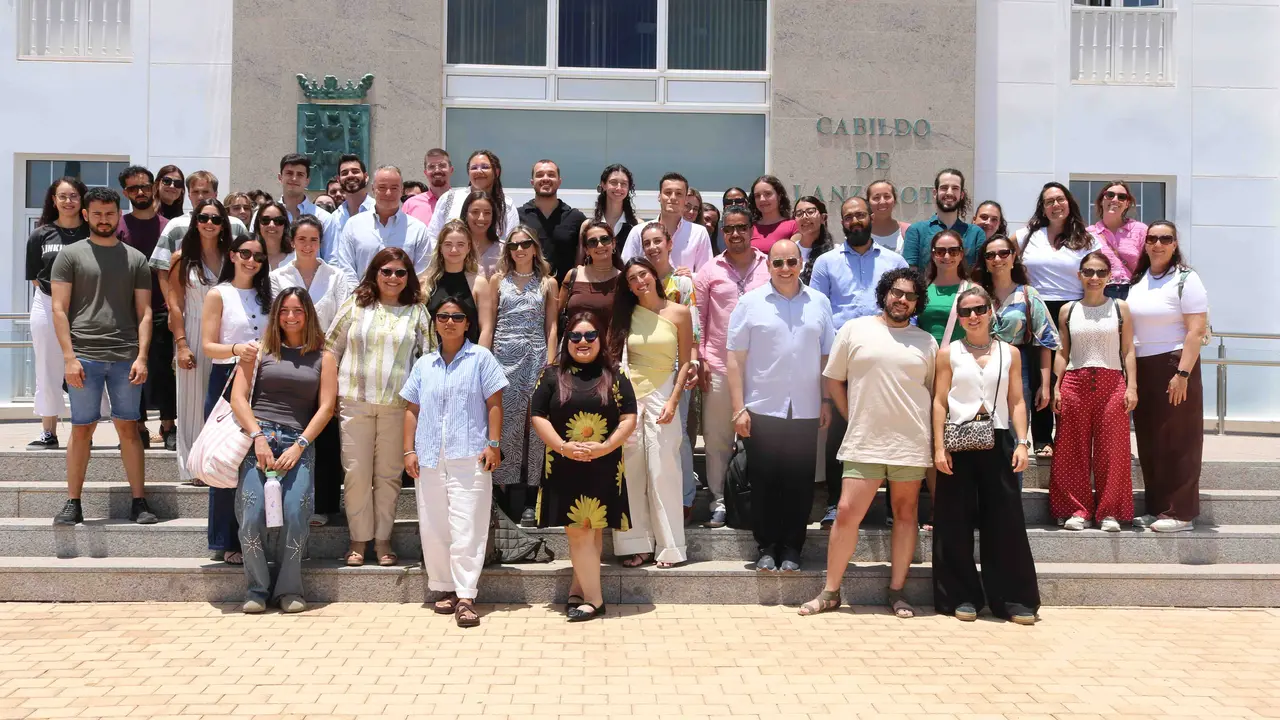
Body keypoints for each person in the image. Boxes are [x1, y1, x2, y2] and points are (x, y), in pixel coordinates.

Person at [800, 268, 937, 618]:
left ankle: (897, 591)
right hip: (864, 441)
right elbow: (833, 381)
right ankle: (830, 592)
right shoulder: (854, 329)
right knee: (846, 513)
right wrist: (853, 416)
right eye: (896, 292)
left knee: (906, 516)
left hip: (910, 442)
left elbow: (935, 394)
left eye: (909, 295)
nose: (902, 299)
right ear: (884, 294)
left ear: (917, 302)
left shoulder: (927, 342)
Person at [49, 187, 158, 526]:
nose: (103, 219)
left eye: (109, 213)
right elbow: (58, 308)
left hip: (126, 358)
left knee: (130, 427)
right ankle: (73, 502)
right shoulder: (69, 256)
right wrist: (69, 358)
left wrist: (142, 357)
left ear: (117, 214)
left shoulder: (136, 259)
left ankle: (138, 501)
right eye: (96, 213)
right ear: (86, 215)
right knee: (82, 429)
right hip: (84, 357)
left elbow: (144, 312)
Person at [931, 286, 1039, 625]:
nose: (973, 316)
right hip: (958, 441)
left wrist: (1023, 442)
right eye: (966, 312)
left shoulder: (1010, 353)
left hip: (1000, 439)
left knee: (1005, 521)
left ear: (991, 311)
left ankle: (1012, 598)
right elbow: (939, 401)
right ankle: (961, 595)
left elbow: (1018, 401)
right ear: (959, 317)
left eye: (979, 309)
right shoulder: (948, 353)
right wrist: (938, 447)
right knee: (954, 520)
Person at [727, 240, 834, 571]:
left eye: (791, 261)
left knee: (799, 483)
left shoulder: (819, 302)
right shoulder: (750, 303)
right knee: (764, 482)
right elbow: (734, 357)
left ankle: (791, 547)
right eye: (778, 263)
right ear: (768, 265)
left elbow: (826, 355)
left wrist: (827, 399)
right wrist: (738, 408)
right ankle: (766, 546)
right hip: (763, 407)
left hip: (805, 408)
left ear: (801, 263)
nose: (785, 269)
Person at [230, 288, 337, 614]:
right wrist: (258, 437)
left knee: (294, 514)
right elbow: (238, 398)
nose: (291, 317)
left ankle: (289, 589)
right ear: (276, 315)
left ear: (308, 315)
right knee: (252, 517)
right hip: (257, 439)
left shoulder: (325, 356)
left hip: (297, 443)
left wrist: (301, 444)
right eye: (285, 311)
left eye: (298, 311)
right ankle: (257, 588)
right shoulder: (259, 351)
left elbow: (327, 407)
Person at [402, 297, 506, 628]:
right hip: (430, 456)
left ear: (467, 323)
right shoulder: (423, 364)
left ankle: (466, 595)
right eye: (443, 316)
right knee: (434, 528)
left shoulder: (481, 358)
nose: (450, 321)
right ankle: (445, 589)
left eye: (457, 316)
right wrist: (409, 451)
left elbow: (495, 403)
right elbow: (411, 410)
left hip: (470, 456)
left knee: (467, 527)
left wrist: (493, 444)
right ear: (435, 322)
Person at [327, 247, 433, 566]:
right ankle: (359, 539)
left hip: (397, 406)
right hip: (354, 402)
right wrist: (329, 396)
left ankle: (383, 539)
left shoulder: (418, 311)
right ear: (375, 272)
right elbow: (331, 349)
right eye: (386, 271)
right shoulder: (355, 305)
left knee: (388, 475)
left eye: (400, 272)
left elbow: (428, 359)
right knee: (357, 472)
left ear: (408, 277)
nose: (393, 278)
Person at [531, 311, 638, 621]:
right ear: (567, 341)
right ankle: (589, 596)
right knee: (578, 531)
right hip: (564, 464)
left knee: (591, 532)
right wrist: (562, 446)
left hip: (603, 464)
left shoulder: (615, 375)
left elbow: (629, 417)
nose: (583, 342)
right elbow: (538, 415)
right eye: (576, 336)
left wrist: (605, 446)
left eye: (590, 335)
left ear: (601, 340)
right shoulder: (551, 375)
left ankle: (587, 596)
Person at [809, 196, 908, 525]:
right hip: (846, 360)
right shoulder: (826, 262)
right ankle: (836, 504)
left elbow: (907, 306)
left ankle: (895, 509)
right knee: (841, 432)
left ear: (870, 218)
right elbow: (818, 311)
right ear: (841, 222)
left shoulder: (894, 261)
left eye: (860, 215)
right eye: (849, 216)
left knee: (891, 430)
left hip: (887, 358)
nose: (855, 221)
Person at [608, 258, 694, 568]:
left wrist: (673, 400)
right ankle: (636, 545)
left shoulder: (680, 313)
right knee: (630, 471)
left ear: (653, 275)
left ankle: (671, 547)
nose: (639, 281)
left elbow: (685, 361)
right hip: (630, 396)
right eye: (632, 278)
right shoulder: (624, 315)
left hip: (664, 393)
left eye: (642, 274)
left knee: (664, 470)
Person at [271, 215, 352, 526]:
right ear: (292, 241)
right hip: (290, 360)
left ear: (321, 242)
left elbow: (343, 318)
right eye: (302, 239)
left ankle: (326, 503)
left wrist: (326, 352)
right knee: (294, 428)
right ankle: (293, 500)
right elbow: (279, 315)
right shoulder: (279, 275)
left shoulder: (336, 276)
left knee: (327, 429)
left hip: (328, 358)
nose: (307, 245)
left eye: (313, 240)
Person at [1128, 222, 1208, 533]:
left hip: (1175, 364)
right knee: (1151, 440)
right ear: (1145, 244)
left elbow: (1196, 330)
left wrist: (1183, 373)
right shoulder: (1139, 279)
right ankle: (1158, 508)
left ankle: (1182, 513)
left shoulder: (1187, 279)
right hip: (1143, 366)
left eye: (1165, 238)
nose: (1158, 244)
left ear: (1175, 244)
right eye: (1152, 239)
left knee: (1181, 439)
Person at [694, 205, 771, 528]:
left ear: (752, 229)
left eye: (742, 227)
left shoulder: (771, 267)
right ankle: (719, 501)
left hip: (764, 368)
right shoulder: (709, 271)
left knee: (764, 437)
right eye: (729, 229)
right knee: (717, 438)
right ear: (722, 232)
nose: (736, 234)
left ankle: (760, 499)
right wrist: (700, 358)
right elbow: (699, 319)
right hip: (719, 365)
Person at [1050, 252, 1137, 532]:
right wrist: (1056, 385)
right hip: (1075, 381)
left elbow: (1128, 350)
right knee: (1070, 449)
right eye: (1088, 272)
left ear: (1110, 276)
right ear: (1080, 275)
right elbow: (1062, 351)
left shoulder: (1120, 308)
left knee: (1112, 450)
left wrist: (1132, 386)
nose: (1095, 277)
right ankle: (1077, 511)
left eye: (1101, 272)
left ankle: (1109, 512)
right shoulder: (1068, 310)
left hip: (1112, 382)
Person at [1017, 182, 1102, 457]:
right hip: (1036, 312)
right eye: (1049, 201)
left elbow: (1097, 274)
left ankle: (1067, 436)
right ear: (1042, 208)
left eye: (1060, 199)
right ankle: (1042, 439)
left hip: (1074, 311)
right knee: (1040, 376)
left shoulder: (1088, 240)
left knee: (1068, 376)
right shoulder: (1025, 237)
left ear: (1069, 203)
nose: (1055, 205)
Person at [202, 234, 272, 564]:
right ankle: (225, 539)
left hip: (263, 379)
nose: (251, 261)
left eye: (258, 256)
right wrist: (236, 349)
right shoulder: (219, 294)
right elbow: (207, 346)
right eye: (245, 253)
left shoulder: (267, 294)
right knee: (226, 461)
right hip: (227, 377)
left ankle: (256, 536)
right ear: (232, 255)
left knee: (256, 462)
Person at [489, 226, 559, 526]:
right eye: (514, 245)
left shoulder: (548, 283)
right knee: (505, 427)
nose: (519, 249)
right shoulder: (497, 281)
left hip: (535, 356)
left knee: (535, 428)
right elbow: (490, 323)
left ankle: (532, 496)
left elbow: (552, 325)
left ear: (534, 247)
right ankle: (502, 496)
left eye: (525, 244)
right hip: (503, 358)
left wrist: (551, 362)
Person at [160, 199, 228, 484]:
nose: (209, 224)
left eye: (215, 219)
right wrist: (182, 344)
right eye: (203, 218)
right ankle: (192, 467)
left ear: (223, 224)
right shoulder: (181, 258)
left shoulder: (231, 257)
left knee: (221, 403)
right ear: (195, 221)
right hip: (194, 330)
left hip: (225, 334)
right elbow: (175, 306)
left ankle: (218, 461)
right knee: (192, 402)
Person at [640, 221, 702, 521]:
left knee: (678, 435)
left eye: (657, 241)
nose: (653, 247)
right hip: (644, 368)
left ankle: (685, 497)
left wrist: (693, 364)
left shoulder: (683, 284)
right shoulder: (637, 282)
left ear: (669, 244)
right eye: (647, 243)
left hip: (677, 367)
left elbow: (694, 333)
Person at [970, 234, 1059, 440]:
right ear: (985, 261)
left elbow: (1045, 341)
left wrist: (1045, 386)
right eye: (990, 255)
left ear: (1013, 257)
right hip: (979, 368)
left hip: (1018, 369)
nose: (997, 259)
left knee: (1014, 437)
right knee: (980, 436)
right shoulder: (976, 294)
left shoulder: (1028, 294)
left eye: (1003, 253)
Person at [26, 177, 89, 450]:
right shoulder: (41, 234)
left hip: (85, 305)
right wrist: (58, 301)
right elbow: (34, 276)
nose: (68, 201)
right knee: (47, 367)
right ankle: (48, 431)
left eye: (73, 196)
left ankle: (86, 431)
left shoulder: (92, 232)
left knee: (87, 368)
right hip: (47, 303)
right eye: (62, 196)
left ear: (81, 199)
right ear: (54, 200)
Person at [117, 166, 175, 451]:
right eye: (132, 188)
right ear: (125, 193)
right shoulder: (117, 226)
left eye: (144, 186)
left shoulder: (169, 227)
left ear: (154, 188)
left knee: (163, 368)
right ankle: (138, 425)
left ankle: (168, 425)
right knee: (131, 370)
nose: (140, 192)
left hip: (163, 307)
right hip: (127, 312)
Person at [333, 165, 430, 283]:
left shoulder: (418, 230)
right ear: (373, 189)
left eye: (394, 188)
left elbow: (422, 274)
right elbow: (346, 269)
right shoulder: (353, 225)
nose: (388, 193)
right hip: (361, 298)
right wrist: (359, 298)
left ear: (401, 190)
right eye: (382, 187)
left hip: (404, 300)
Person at [151, 171, 250, 270]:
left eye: (205, 192)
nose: (200, 197)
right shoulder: (175, 226)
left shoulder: (236, 226)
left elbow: (249, 260)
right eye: (195, 192)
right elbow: (162, 268)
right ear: (189, 195)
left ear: (215, 194)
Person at [421, 220, 495, 347]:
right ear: (440, 248)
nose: (454, 250)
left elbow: (486, 330)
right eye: (448, 244)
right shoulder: (426, 283)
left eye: (460, 244)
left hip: (469, 359)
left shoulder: (479, 284)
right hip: (432, 358)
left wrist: (480, 362)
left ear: (468, 247)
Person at [620, 173, 713, 273]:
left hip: (685, 288)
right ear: (659, 196)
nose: (673, 197)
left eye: (679, 194)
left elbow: (706, 275)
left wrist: (690, 277)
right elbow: (626, 270)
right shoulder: (638, 231)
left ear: (685, 199)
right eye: (668, 192)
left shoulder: (699, 233)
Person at [425, 149, 520, 245]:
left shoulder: (506, 205)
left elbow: (511, 243)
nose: (479, 171)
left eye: (485, 167)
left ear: (496, 172)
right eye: (474, 168)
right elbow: (432, 237)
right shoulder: (449, 198)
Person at [518, 159, 587, 282]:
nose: (545, 178)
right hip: (526, 294)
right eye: (539, 175)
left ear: (559, 182)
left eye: (551, 174)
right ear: (532, 182)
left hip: (564, 294)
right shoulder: (518, 216)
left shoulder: (576, 218)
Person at [902, 168, 985, 269]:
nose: (949, 192)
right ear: (935, 193)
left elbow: (980, 273)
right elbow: (910, 273)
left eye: (955, 188)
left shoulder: (975, 234)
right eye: (944, 188)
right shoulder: (916, 231)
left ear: (961, 195)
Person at [557, 221, 623, 333]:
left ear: (613, 243)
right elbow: (556, 316)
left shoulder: (624, 279)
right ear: (586, 250)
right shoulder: (573, 275)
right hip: (576, 346)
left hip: (612, 348)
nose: (600, 245)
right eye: (593, 242)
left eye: (605, 239)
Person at [1087, 181, 1147, 300]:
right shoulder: (1088, 234)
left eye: (1122, 197)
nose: (1115, 199)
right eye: (1110, 195)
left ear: (1127, 204)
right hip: (1101, 293)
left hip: (1134, 292)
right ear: (1101, 201)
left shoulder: (1141, 230)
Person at [917, 229, 971, 346]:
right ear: (933, 255)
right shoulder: (920, 290)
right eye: (940, 251)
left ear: (961, 255)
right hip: (925, 357)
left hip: (959, 359)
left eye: (953, 251)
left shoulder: (973, 291)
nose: (947, 256)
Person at [321, 154, 377, 262]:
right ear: (338, 180)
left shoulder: (378, 211)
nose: (350, 175)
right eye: (344, 173)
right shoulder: (334, 219)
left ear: (366, 177)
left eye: (355, 171)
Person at [586, 164, 640, 270]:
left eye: (624, 184)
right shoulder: (588, 225)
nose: (619, 188)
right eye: (613, 182)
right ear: (603, 185)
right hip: (596, 283)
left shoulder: (636, 225)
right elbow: (580, 262)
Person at [403, 148, 455, 227]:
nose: (437, 170)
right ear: (425, 173)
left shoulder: (461, 201)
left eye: (442, 165)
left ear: (451, 170)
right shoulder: (410, 205)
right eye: (431, 167)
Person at [745, 175, 797, 254]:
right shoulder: (749, 228)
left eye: (768, 194)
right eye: (757, 196)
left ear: (779, 196)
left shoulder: (793, 226)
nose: (762, 199)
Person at [274, 153, 331, 224]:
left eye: (300, 174)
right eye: (289, 173)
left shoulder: (323, 218)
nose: (294, 178)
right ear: (280, 178)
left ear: (307, 181)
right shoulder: (265, 216)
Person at [460, 190, 503, 277]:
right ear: (466, 214)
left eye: (487, 213)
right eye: (475, 212)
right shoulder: (455, 248)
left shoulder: (503, 251)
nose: (481, 218)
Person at [791, 195, 835, 279]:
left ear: (823, 218)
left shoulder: (835, 251)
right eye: (799, 213)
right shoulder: (790, 251)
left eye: (810, 212)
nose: (804, 217)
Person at [867, 180, 911, 254]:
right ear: (868, 203)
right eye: (876, 197)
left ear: (894, 200)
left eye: (887, 196)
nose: (882, 202)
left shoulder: (908, 231)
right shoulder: (861, 232)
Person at [252, 200, 294, 270]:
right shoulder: (249, 258)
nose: (271, 225)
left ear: (285, 225)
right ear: (258, 224)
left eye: (278, 220)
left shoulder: (296, 258)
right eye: (265, 220)